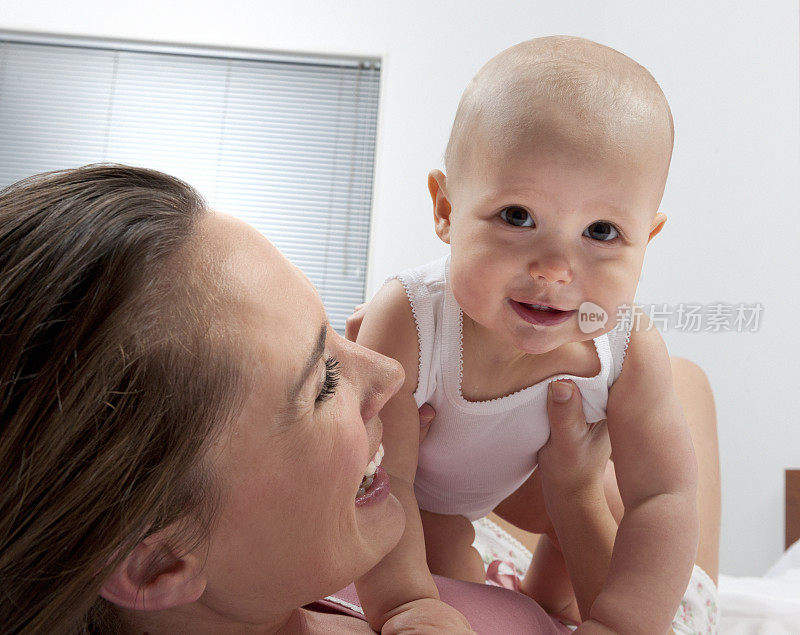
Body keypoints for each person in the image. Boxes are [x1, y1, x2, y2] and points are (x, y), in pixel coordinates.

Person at [0, 164, 660, 633]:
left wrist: (572, 493)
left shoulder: (300, 567)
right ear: (161, 560)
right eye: (322, 382)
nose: (390, 374)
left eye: (336, 333)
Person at [351, 35, 720, 633]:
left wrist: (629, 621)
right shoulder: (412, 319)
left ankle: (551, 600)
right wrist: (407, 604)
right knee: (446, 570)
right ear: (445, 211)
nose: (555, 268)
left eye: (601, 231)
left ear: (646, 238)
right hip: (424, 494)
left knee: (619, 503)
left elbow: (666, 496)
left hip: (532, 484)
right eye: (517, 217)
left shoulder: (629, 349)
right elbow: (380, 479)